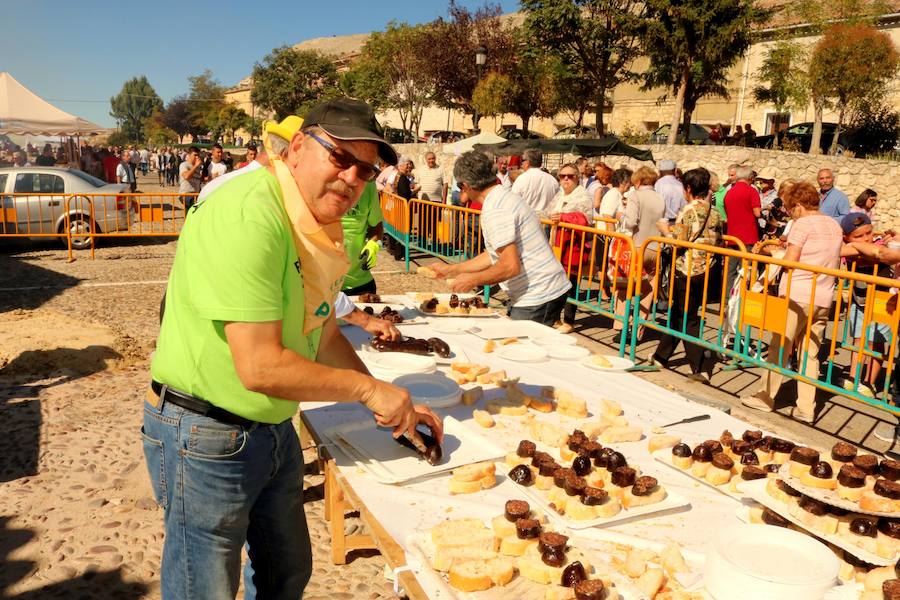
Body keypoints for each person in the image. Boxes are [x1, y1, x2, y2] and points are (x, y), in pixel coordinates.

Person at [144, 97, 442, 600]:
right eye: (340, 157)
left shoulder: (309, 218)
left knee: (287, 573)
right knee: (204, 589)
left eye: (365, 170)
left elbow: (321, 331)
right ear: (299, 147)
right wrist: (368, 392)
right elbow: (259, 365)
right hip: (205, 433)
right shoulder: (248, 212)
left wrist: (388, 395)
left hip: (271, 428)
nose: (352, 178)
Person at [429, 151, 571, 325]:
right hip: (542, 290)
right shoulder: (501, 197)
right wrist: (453, 270)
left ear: (466, 185)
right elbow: (493, 254)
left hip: (538, 294)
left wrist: (472, 279)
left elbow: (510, 266)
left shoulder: (496, 209)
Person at [742, 181, 843, 423]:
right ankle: (806, 407)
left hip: (798, 294)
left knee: (780, 345)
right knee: (811, 353)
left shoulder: (802, 224)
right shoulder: (833, 225)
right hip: (823, 295)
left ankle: (766, 397)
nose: (788, 212)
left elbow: (791, 259)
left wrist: (771, 256)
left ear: (798, 205)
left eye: (789, 208)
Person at [650, 168, 721, 382]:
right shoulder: (714, 211)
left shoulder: (689, 210)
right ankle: (661, 356)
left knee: (687, 317)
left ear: (688, 188)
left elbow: (679, 240)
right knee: (678, 312)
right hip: (707, 268)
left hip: (688, 269)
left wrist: (664, 228)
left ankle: (698, 368)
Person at [840, 213, 895, 397]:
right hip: (860, 299)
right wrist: (856, 247)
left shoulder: (880, 246)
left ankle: (869, 382)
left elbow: (879, 254)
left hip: (882, 300)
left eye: (869, 233)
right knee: (858, 338)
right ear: (845, 237)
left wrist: (856, 244)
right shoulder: (850, 247)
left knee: (876, 341)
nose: (866, 238)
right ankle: (853, 377)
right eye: (859, 236)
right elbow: (842, 251)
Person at [618, 166, 666, 340]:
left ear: (637, 181)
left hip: (637, 245)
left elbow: (631, 222)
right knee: (648, 290)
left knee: (625, 285)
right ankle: (638, 329)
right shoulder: (660, 198)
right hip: (656, 247)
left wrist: (620, 217)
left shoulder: (635, 195)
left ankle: (622, 326)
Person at [548, 163, 594, 333]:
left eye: (570, 175)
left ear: (578, 178)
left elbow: (585, 219)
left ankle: (569, 320)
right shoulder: (559, 195)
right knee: (556, 281)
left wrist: (564, 217)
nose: (566, 179)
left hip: (574, 246)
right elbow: (548, 212)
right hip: (558, 244)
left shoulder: (583, 196)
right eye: (562, 176)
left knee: (571, 283)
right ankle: (554, 317)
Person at [723, 165, 761, 297]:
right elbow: (757, 213)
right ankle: (742, 298)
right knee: (746, 270)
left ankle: (728, 298)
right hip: (748, 236)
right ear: (750, 177)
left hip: (732, 237)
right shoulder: (752, 191)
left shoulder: (729, 192)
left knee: (730, 271)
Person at [341, 181, 383, 296]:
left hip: (360, 284)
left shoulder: (368, 184)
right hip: (320, 286)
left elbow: (376, 226)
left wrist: (373, 244)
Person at [511, 148, 559, 214]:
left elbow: (513, 203)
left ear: (527, 162)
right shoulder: (552, 180)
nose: (521, 163)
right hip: (547, 221)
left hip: (527, 221)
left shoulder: (522, 179)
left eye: (522, 160)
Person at [178, 146, 203, 211]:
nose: (197, 157)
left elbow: (200, 179)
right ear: (189, 155)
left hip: (196, 194)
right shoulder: (184, 165)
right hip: (186, 194)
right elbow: (186, 176)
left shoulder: (198, 167)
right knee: (197, 207)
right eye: (195, 155)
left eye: (198, 155)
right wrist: (195, 166)